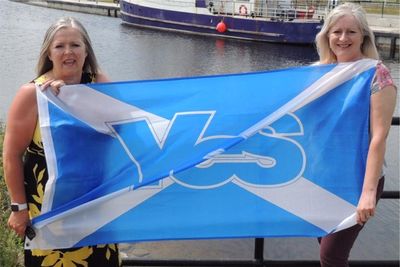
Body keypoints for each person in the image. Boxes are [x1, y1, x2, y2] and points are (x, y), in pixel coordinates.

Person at [3, 17, 120, 266]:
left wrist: (74, 99)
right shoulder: (32, 94)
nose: (68, 52)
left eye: (75, 45)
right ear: (49, 52)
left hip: (95, 204)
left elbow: (124, 130)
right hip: (47, 211)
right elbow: (12, 154)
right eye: (60, 46)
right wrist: (18, 208)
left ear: (86, 51)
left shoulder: (99, 84)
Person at [315, 3, 397, 267]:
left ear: (363, 35)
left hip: (359, 178)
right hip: (325, 176)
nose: (342, 38)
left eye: (351, 31)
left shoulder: (376, 74)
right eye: (336, 31)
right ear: (327, 36)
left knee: (332, 255)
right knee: (324, 247)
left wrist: (368, 192)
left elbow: (379, 137)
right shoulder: (320, 74)